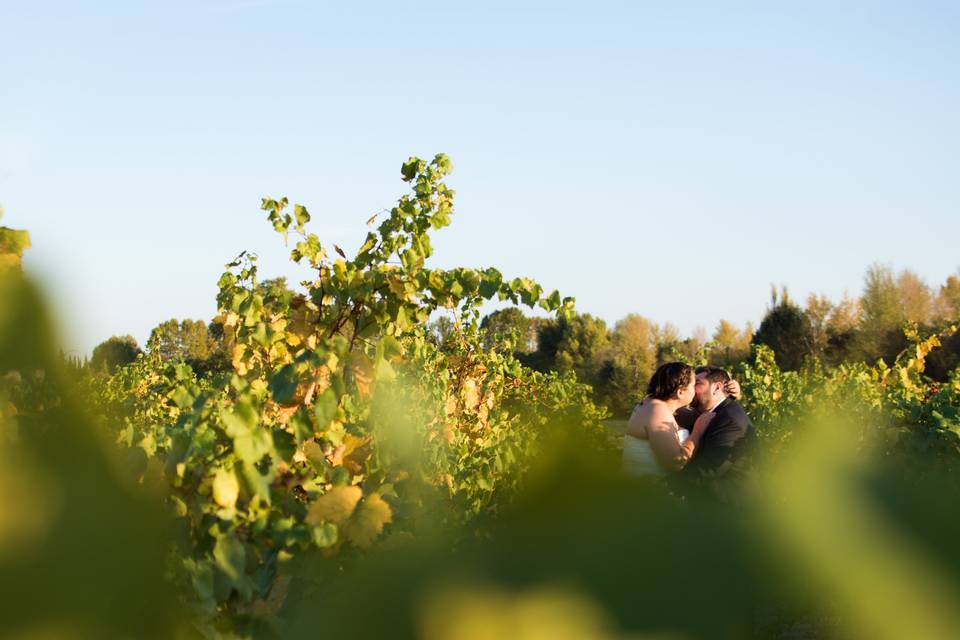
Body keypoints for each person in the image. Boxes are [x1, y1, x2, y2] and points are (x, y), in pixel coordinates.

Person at [675, 366, 757, 501]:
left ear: (717, 388)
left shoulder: (730, 420)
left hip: (727, 509)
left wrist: (667, 484)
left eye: (698, 383)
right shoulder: (711, 412)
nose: (692, 389)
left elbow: (708, 469)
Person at [622, 362, 716, 478]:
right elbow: (676, 462)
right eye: (693, 385)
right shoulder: (657, 411)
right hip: (646, 490)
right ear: (680, 392)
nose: (695, 390)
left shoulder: (652, 403)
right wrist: (697, 432)